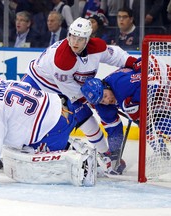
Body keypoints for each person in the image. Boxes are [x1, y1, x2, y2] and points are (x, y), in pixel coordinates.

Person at [21, 17, 138, 174]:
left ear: (87, 39)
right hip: (38, 82)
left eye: (80, 38)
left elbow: (115, 55)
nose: (74, 42)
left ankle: (105, 156)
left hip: (63, 85)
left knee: (84, 116)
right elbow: (70, 90)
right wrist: (94, 100)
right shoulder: (63, 60)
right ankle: (12, 147)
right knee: (26, 114)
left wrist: (134, 62)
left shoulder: (97, 47)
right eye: (72, 36)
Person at [0, 66, 97, 186]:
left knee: (33, 161)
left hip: (54, 129)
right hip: (65, 109)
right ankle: (71, 147)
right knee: (20, 142)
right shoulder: (3, 83)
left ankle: (80, 159)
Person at [81, 55, 171, 161]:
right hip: (147, 86)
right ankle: (162, 154)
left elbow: (152, 80)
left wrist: (136, 101)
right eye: (102, 100)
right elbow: (114, 131)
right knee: (144, 124)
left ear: (106, 86)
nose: (107, 101)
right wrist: (115, 155)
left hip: (165, 78)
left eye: (105, 95)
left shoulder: (121, 84)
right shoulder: (102, 106)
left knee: (164, 122)